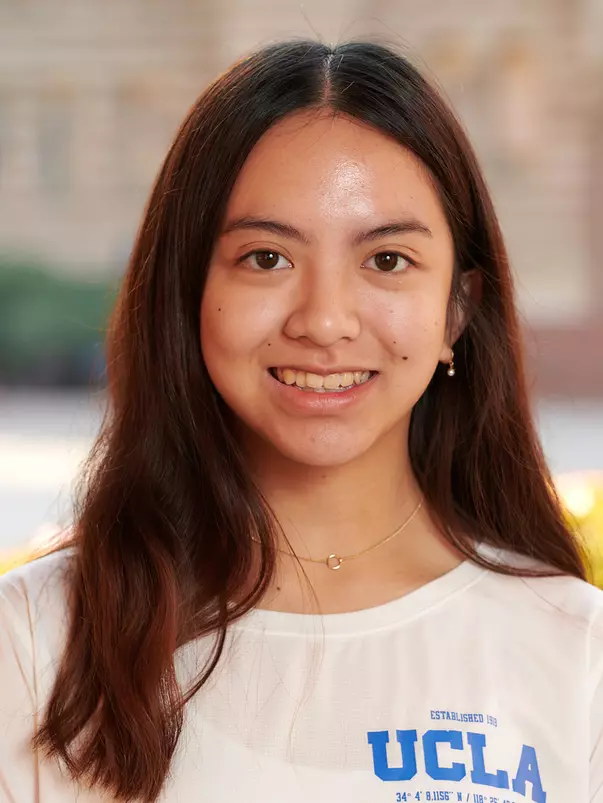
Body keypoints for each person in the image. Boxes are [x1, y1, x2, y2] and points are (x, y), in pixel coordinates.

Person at [0, 38, 601, 803]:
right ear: (185, 294)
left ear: (458, 309)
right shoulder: (32, 642)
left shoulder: (574, 651)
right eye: (265, 258)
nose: (324, 321)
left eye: (386, 260)